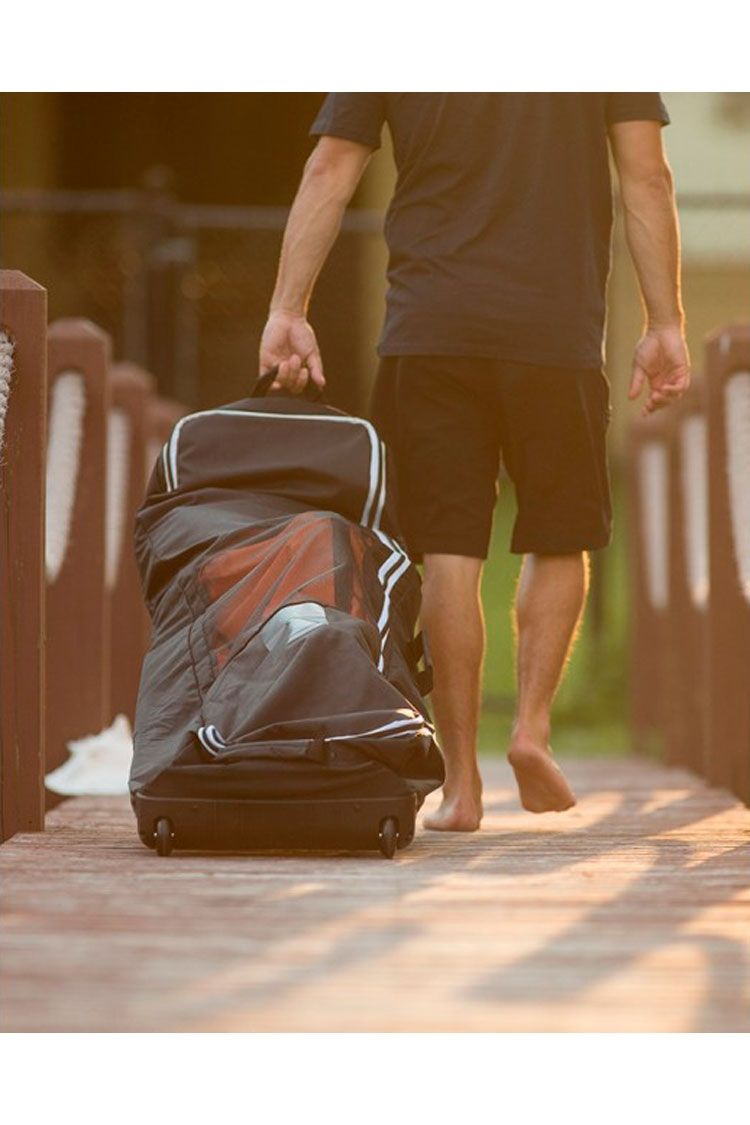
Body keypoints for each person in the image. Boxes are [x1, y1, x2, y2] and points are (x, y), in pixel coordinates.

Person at [259, 93, 690, 831]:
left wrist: (288, 309)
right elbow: (646, 176)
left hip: (430, 329)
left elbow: (330, 166)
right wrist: (665, 321)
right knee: (560, 535)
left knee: (448, 552)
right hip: (553, 332)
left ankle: (461, 784)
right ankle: (531, 729)